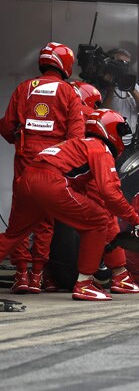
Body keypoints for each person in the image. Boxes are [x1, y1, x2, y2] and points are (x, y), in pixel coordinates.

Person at [0, 109, 139, 301]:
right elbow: (110, 193)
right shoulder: (100, 148)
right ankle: (84, 284)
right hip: (52, 182)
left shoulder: (75, 145)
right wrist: (134, 219)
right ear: (110, 130)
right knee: (99, 220)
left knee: (13, 235)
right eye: (120, 131)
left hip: (28, 178)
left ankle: (114, 277)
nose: (122, 137)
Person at [0, 42, 85, 294]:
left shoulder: (24, 88)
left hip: (25, 160)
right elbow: (76, 137)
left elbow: (6, 126)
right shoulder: (69, 93)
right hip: (53, 162)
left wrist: (18, 138)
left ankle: (21, 275)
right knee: (46, 219)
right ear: (65, 64)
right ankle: (37, 275)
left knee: (19, 219)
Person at [101, 47, 139, 132]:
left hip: (130, 136)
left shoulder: (134, 86)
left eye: (126, 64)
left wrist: (130, 88)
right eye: (120, 63)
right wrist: (111, 88)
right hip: (110, 135)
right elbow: (102, 113)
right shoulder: (104, 84)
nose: (123, 67)